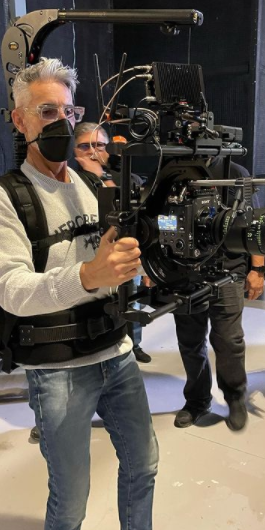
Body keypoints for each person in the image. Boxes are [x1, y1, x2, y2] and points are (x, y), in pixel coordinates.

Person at [0, 58, 158, 530]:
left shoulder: (89, 185)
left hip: (116, 352)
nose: (61, 121)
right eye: (47, 111)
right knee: (71, 497)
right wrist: (87, 275)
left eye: (68, 110)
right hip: (58, 369)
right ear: (20, 121)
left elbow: (108, 259)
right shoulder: (4, 197)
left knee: (144, 464)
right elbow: (11, 289)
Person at [172, 154, 265, 432]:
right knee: (190, 341)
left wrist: (258, 269)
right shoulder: (172, 170)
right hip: (183, 270)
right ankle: (197, 400)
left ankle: (235, 397)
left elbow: (254, 224)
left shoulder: (234, 172)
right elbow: (158, 219)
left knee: (229, 340)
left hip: (228, 270)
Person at [73, 121, 151, 364]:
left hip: (125, 251)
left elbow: (130, 213)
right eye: (84, 146)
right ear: (74, 150)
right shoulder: (70, 179)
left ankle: (134, 344)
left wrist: (102, 175)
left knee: (130, 300)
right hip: (88, 254)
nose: (92, 151)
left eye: (98, 145)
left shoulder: (126, 176)